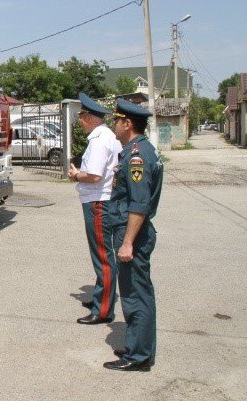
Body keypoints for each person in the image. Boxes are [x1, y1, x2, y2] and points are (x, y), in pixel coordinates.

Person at [103, 98, 163, 371]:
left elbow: (139, 204)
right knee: (138, 292)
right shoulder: (139, 150)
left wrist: (127, 242)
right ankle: (138, 346)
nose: (114, 125)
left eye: (117, 120)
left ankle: (138, 357)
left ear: (127, 124)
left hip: (132, 234)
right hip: (130, 231)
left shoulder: (137, 155)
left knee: (134, 295)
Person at [68, 93, 122, 325]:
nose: (79, 121)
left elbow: (95, 175)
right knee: (102, 254)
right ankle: (103, 297)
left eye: (80, 116)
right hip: (98, 199)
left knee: (102, 255)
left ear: (89, 117)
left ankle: (103, 310)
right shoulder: (104, 136)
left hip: (98, 201)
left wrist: (75, 175)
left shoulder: (100, 139)